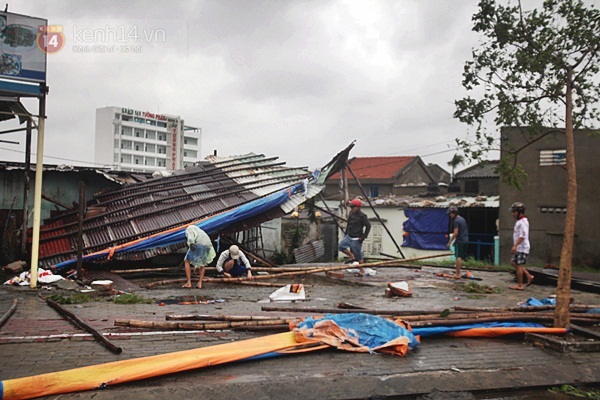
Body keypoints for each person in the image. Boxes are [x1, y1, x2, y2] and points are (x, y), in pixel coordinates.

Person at [338, 198, 371, 276]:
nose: (352, 208)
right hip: (349, 235)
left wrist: (363, 237)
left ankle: (361, 270)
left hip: (357, 238)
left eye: (353, 207)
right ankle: (351, 255)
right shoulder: (351, 213)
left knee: (358, 255)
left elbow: (368, 226)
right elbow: (349, 224)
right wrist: (346, 234)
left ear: (358, 207)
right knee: (341, 246)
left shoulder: (363, 216)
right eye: (351, 207)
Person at [509, 202, 534, 290]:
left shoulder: (523, 222)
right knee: (513, 262)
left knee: (518, 265)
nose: (513, 214)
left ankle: (519, 284)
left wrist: (515, 246)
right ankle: (528, 276)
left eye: (514, 212)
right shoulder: (520, 221)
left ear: (519, 212)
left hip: (522, 247)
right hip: (519, 247)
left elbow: (522, 235)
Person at [447, 206, 469, 279]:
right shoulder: (462, 219)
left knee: (458, 257)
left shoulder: (456, 221)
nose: (450, 215)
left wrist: (450, 242)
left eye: (450, 214)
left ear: (454, 213)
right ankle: (457, 270)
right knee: (460, 256)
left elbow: (456, 233)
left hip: (460, 240)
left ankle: (458, 274)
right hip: (465, 240)